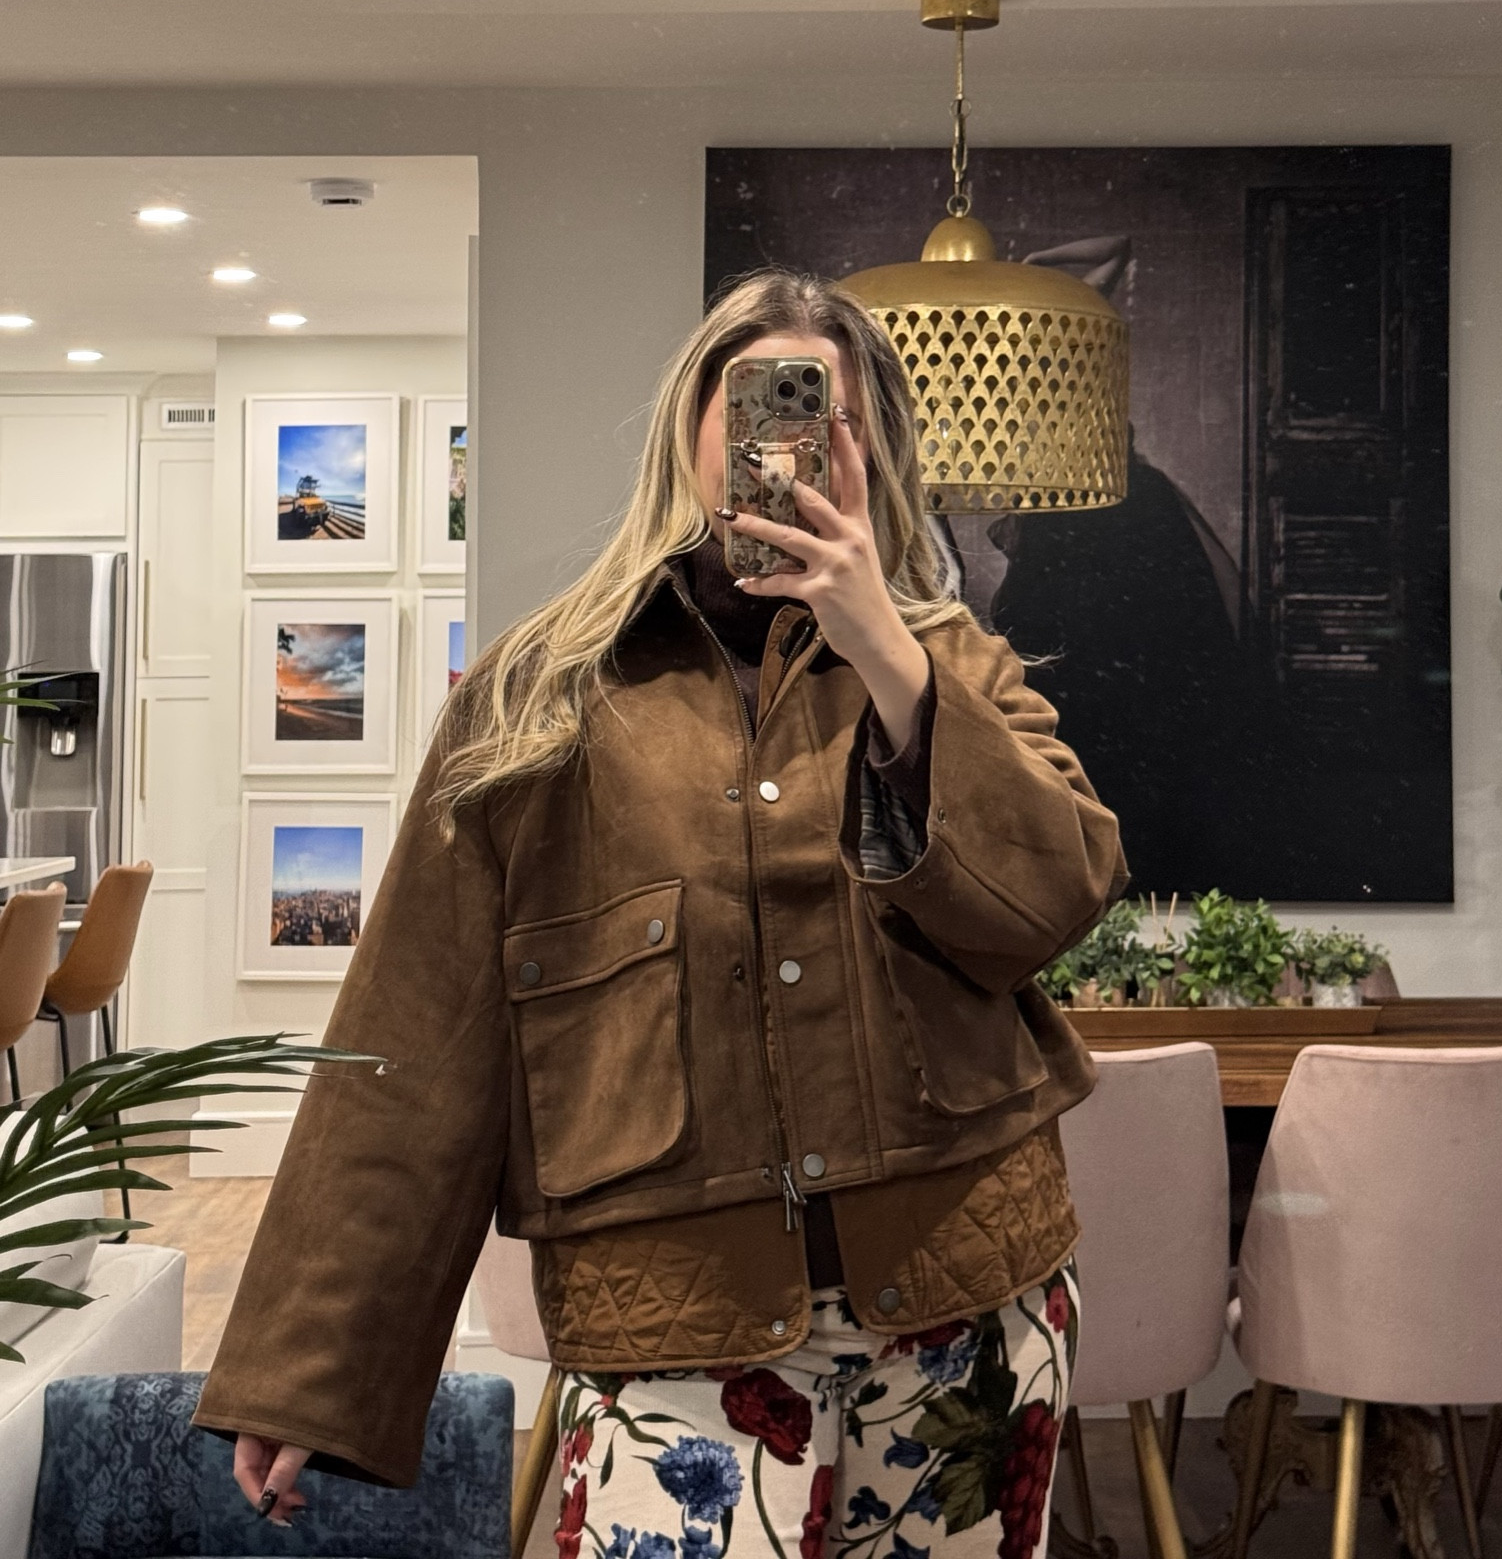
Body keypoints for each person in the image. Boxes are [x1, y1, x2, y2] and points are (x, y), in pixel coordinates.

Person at [194, 270, 1127, 1559]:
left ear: (878, 455)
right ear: (689, 432)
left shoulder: (950, 662)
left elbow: (1057, 898)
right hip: (672, 1326)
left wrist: (889, 656)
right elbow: (416, 1038)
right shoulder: (537, 698)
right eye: (757, 405)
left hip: (967, 1304)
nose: (792, 443)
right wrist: (310, 1371)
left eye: (834, 417)